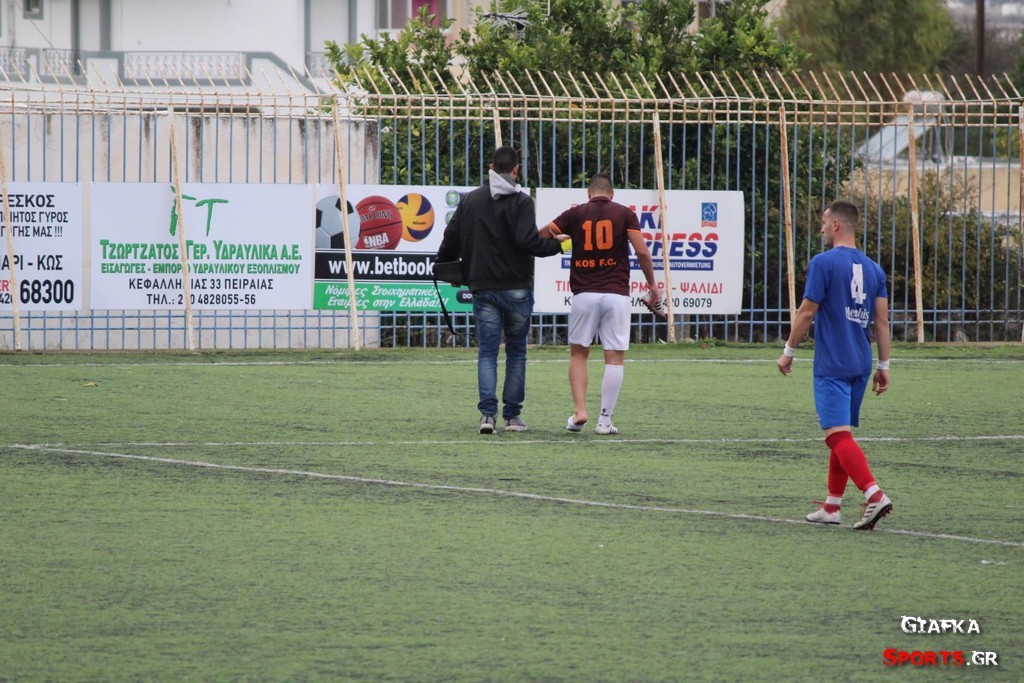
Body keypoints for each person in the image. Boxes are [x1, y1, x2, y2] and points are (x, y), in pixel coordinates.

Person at [777, 199, 893, 531]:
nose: (822, 228)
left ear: (837, 225)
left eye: (824, 222)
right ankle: (832, 506)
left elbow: (807, 311)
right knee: (841, 432)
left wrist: (789, 351)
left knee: (836, 436)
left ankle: (874, 495)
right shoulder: (874, 269)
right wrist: (883, 365)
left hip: (833, 362)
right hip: (860, 362)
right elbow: (881, 321)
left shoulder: (823, 262)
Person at [436, 146, 565, 434]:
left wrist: (443, 264)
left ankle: (487, 416)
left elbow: (451, 236)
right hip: (516, 287)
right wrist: (557, 246)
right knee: (516, 353)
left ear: (491, 167)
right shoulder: (522, 201)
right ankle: (513, 417)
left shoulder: (470, 200)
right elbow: (528, 242)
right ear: (516, 169)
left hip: (482, 286)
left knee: (487, 353)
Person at [539, 173, 663, 435]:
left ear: (588, 193)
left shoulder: (575, 214)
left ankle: (580, 411)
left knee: (579, 353)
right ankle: (605, 421)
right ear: (612, 194)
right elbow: (642, 251)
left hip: (584, 294)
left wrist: (562, 240)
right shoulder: (625, 213)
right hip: (617, 294)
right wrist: (652, 285)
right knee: (614, 357)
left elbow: (541, 234)